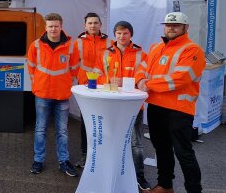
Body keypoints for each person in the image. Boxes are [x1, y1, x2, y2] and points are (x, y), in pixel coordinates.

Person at [136, 12, 204, 193]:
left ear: (185, 28)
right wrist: (140, 80)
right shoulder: (156, 47)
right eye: (168, 25)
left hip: (179, 109)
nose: (171, 28)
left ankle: (194, 190)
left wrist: (148, 84)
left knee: (184, 153)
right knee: (161, 149)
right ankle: (165, 185)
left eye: (176, 25)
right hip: (156, 107)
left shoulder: (192, 49)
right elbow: (142, 68)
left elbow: (180, 78)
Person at [97, 21, 151, 191]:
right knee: (111, 140)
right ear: (115, 35)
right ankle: (113, 173)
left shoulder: (142, 54)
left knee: (136, 143)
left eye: (125, 33)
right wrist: (108, 80)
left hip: (134, 105)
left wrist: (132, 82)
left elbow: (146, 76)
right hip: (111, 103)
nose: (122, 36)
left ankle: (139, 176)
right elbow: (98, 76)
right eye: (119, 33)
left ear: (131, 35)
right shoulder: (105, 53)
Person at [27, 13, 79, 177]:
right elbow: (31, 67)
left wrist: (64, 84)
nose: (53, 29)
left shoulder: (71, 46)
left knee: (62, 131)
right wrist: (39, 84)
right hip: (42, 94)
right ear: (46, 27)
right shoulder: (36, 45)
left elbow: (75, 69)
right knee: (40, 129)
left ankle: (63, 161)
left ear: (61, 26)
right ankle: (38, 161)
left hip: (62, 95)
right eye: (50, 26)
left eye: (56, 26)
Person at [73, 12, 109, 168]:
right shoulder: (78, 43)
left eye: (96, 23)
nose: (93, 26)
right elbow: (73, 64)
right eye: (90, 23)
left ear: (101, 25)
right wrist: (80, 80)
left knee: (104, 122)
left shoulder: (110, 41)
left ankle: (102, 155)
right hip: (85, 87)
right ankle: (85, 155)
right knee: (86, 122)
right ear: (85, 26)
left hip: (104, 87)